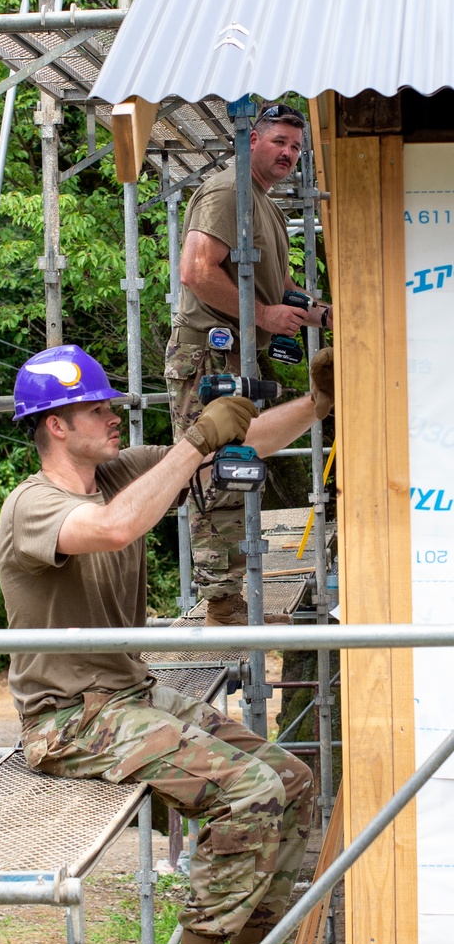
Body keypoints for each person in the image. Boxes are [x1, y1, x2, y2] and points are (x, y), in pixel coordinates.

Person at [0, 344, 342, 944]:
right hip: (69, 719)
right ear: (55, 426)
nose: (115, 416)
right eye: (98, 409)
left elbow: (234, 443)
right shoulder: (32, 505)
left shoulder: (116, 471)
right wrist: (193, 441)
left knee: (291, 780)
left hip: (128, 694)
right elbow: (118, 527)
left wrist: (316, 407)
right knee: (245, 792)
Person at [165, 102, 333, 626]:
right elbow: (195, 270)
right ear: (253, 139)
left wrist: (317, 311)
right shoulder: (227, 191)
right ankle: (220, 600)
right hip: (208, 352)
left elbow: (271, 281)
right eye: (280, 141)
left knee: (236, 462)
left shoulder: (263, 202)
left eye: (297, 147)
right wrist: (263, 314)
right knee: (210, 465)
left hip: (237, 350)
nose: (289, 153)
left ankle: (232, 596)